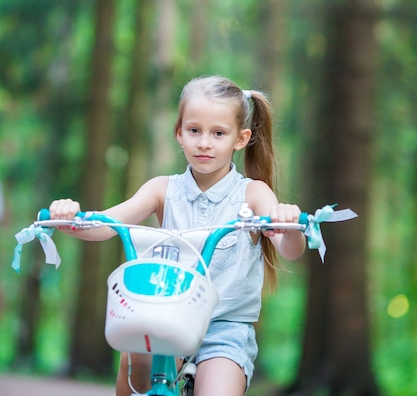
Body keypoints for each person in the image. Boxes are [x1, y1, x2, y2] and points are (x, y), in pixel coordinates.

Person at [49, 75, 306, 396]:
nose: (204, 143)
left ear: (240, 139)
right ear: (179, 133)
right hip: (167, 316)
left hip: (224, 330)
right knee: (134, 365)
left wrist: (288, 223)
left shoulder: (253, 194)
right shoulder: (163, 189)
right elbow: (106, 224)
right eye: (194, 130)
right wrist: (69, 218)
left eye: (218, 133)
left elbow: (290, 248)